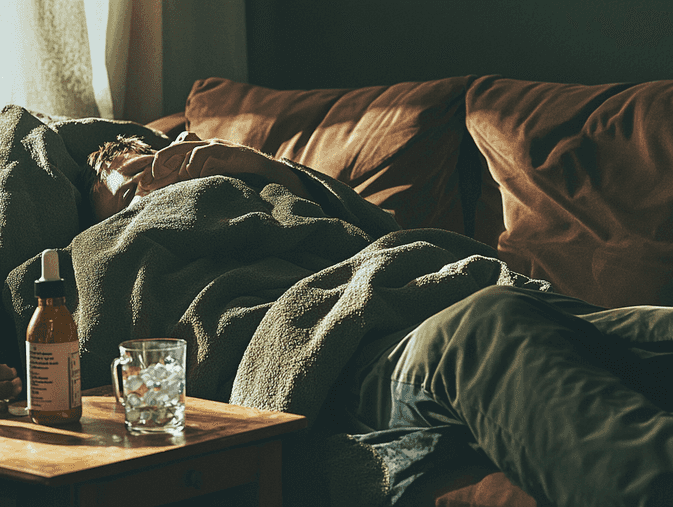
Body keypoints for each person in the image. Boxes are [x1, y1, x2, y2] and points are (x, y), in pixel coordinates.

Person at [7, 131, 673, 506]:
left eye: (151, 142)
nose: (144, 157)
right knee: (482, 329)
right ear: (91, 203)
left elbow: (390, 234)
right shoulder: (82, 260)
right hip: (358, 349)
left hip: (444, 289)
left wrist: (263, 167)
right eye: (117, 165)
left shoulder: (265, 186)